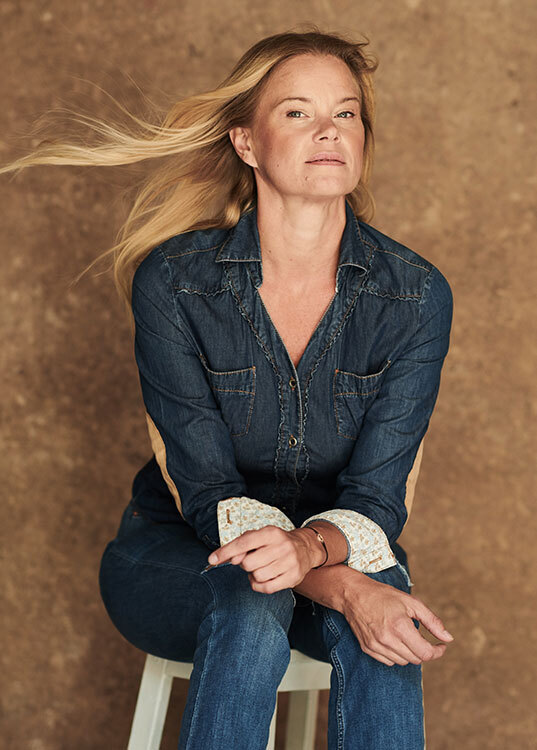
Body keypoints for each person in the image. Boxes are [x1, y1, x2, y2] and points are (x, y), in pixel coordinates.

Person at [1, 26, 454, 750]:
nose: (329, 130)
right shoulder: (176, 284)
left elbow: (377, 496)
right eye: (297, 112)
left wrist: (320, 556)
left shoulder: (415, 296)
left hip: (334, 544)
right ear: (246, 142)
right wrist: (341, 585)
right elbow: (208, 489)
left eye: (345, 112)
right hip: (176, 555)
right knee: (257, 607)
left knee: (386, 629)